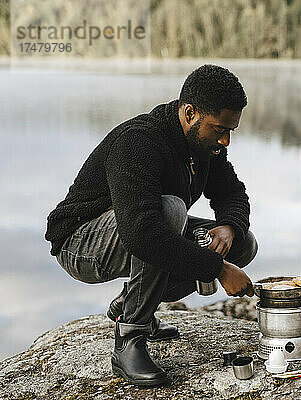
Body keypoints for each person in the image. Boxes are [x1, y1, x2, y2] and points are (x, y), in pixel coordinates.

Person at [45, 65, 258, 386]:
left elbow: (232, 193)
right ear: (189, 113)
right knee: (169, 210)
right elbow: (142, 235)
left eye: (231, 130)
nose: (225, 140)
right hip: (80, 242)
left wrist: (228, 227)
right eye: (219, 129)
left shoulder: (205, 146)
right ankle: (130, 337)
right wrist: (217, 268)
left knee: (243, 243)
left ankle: (129, 302)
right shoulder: (139, 142)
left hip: (138, 231)